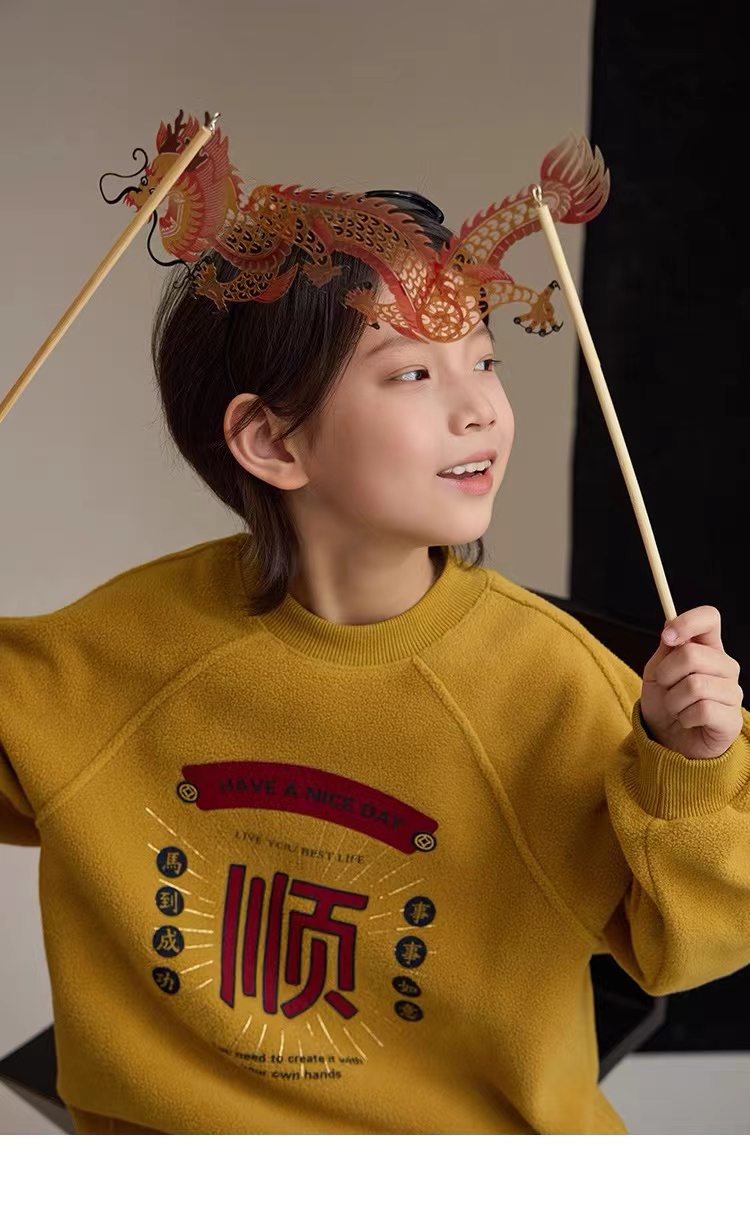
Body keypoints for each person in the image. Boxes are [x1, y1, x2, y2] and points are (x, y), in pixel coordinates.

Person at [0, 190, 747, 1136]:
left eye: (484, 360)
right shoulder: (117, 650)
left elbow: (690, 947)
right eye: (412, 374)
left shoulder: (555, 684)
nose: (478, 409)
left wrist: (690, 771)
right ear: (272, 440)